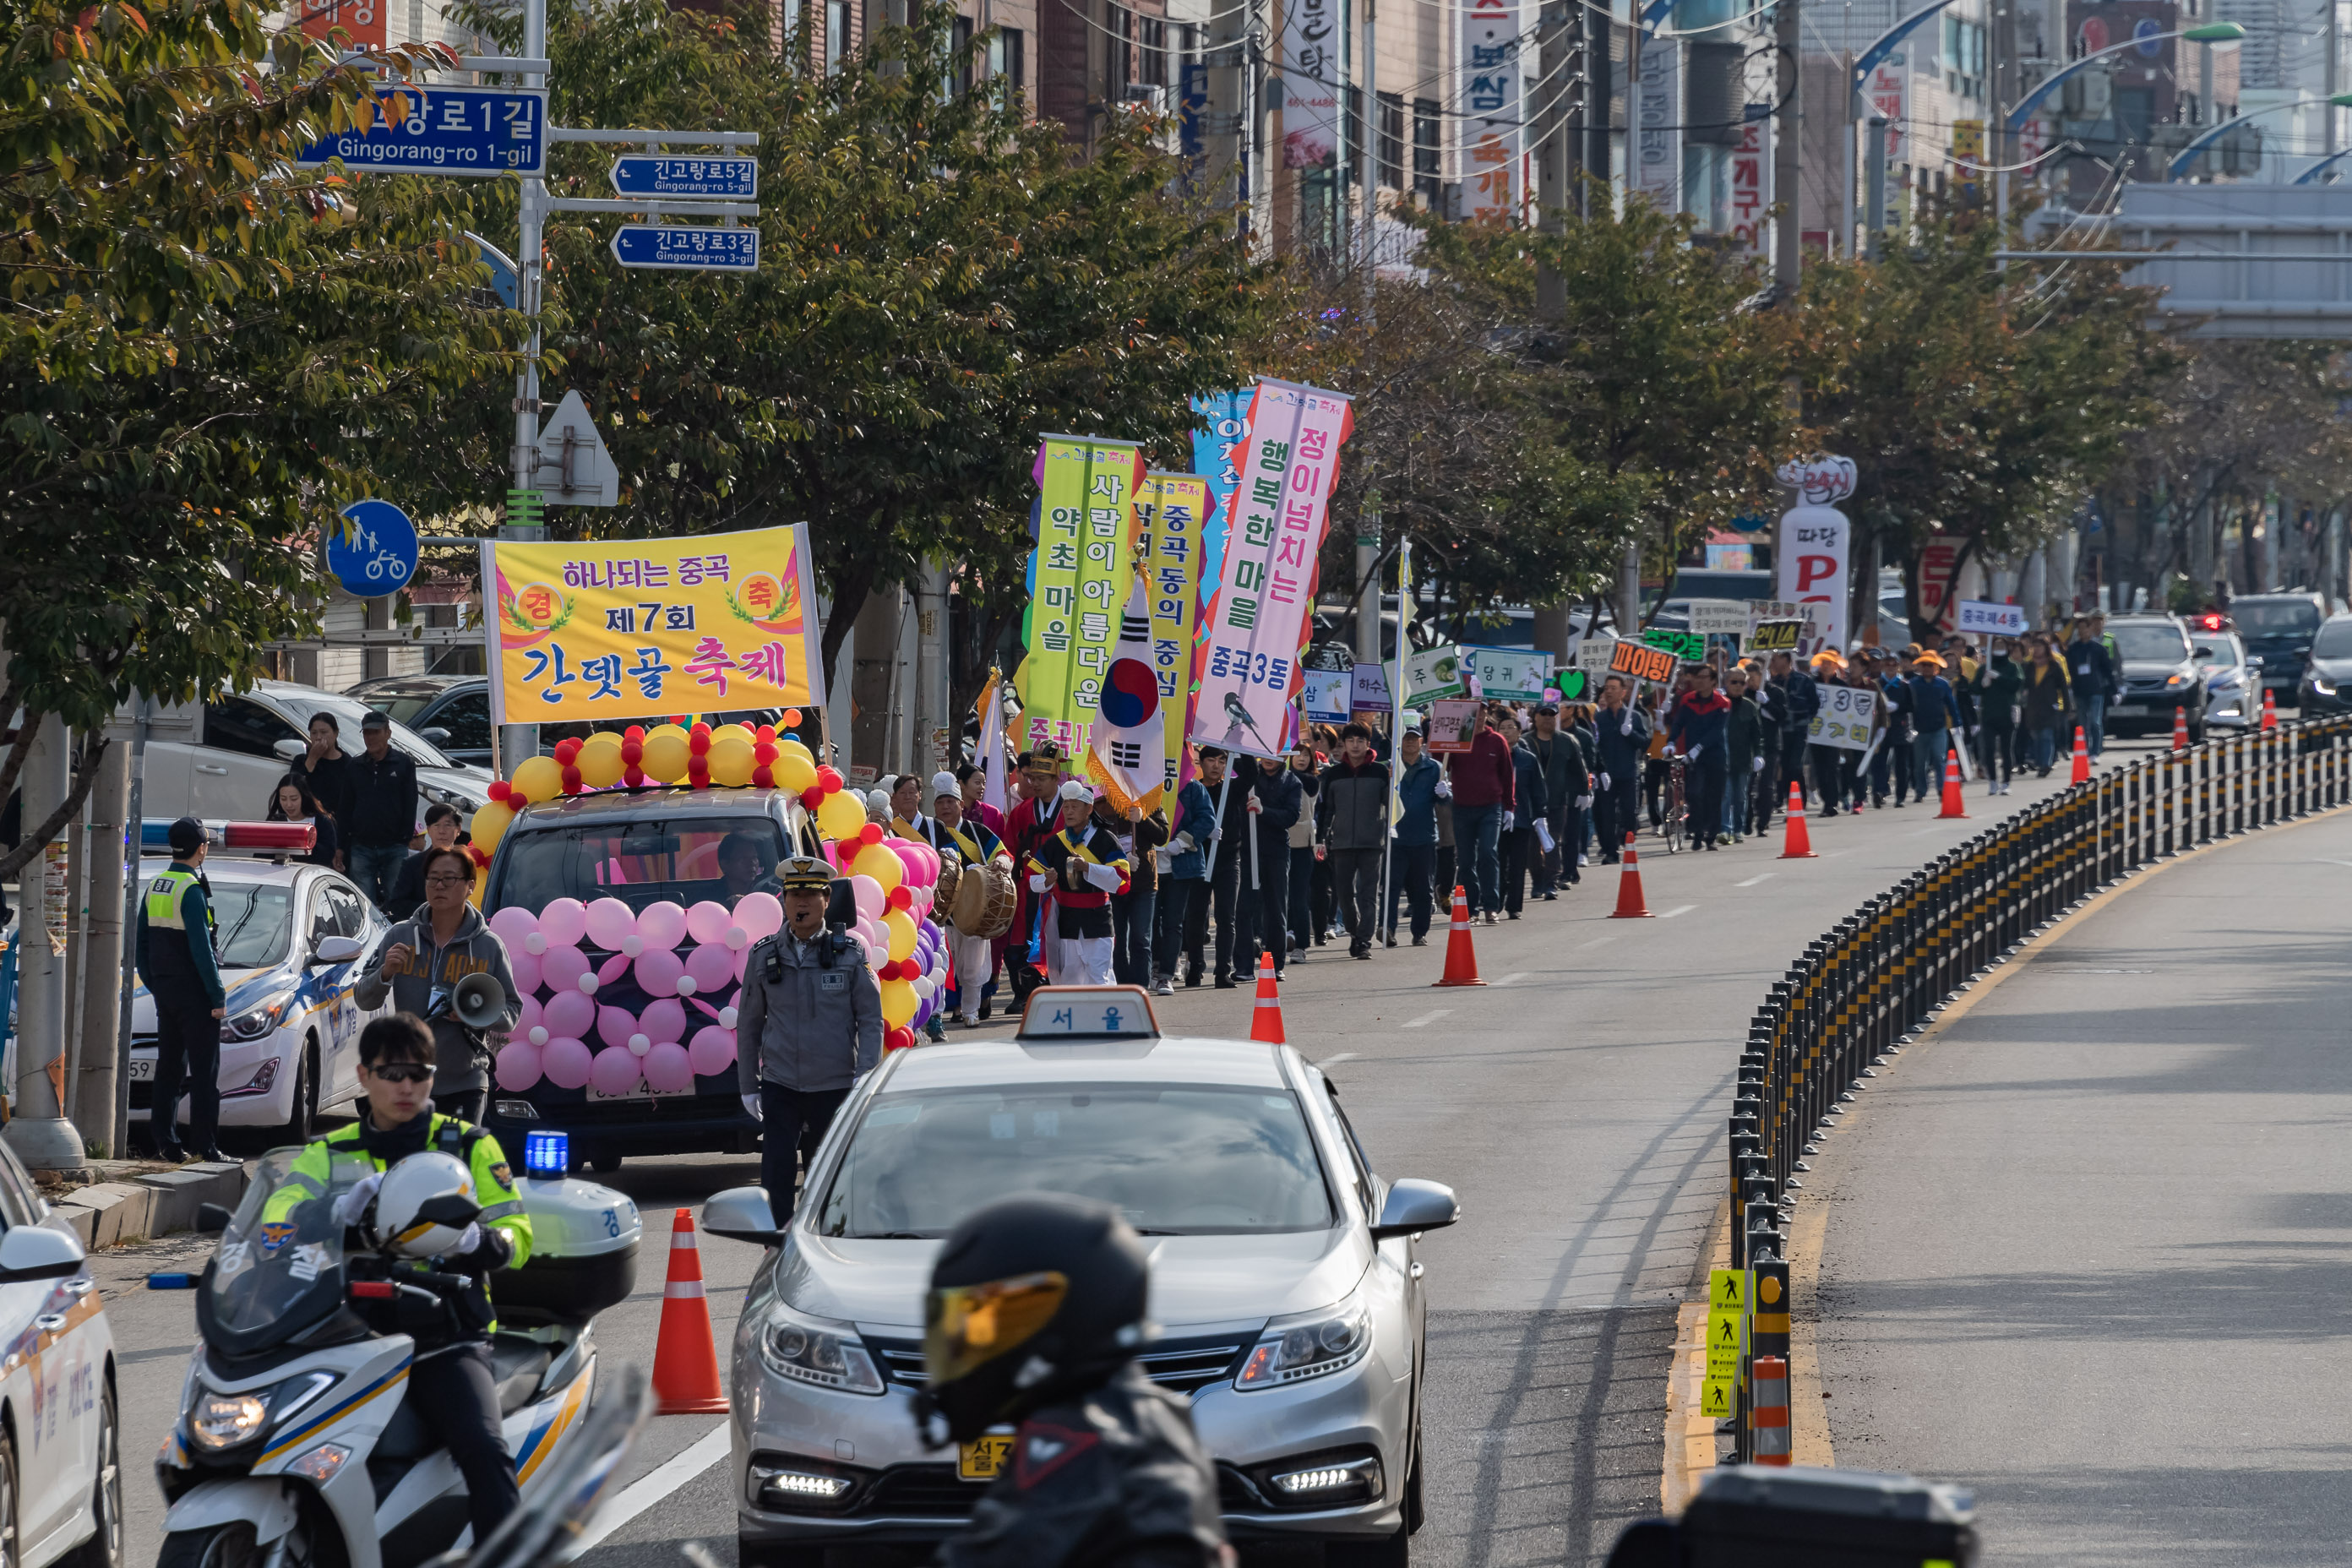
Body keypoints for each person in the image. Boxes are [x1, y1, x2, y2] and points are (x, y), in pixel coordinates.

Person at [277, 1013, 532, 1551]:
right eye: (392, 1073)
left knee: (486, 1451)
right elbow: (276, 1226)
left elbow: (516, 1232)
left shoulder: (469, 1146)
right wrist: (330, 1215)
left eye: (420, 1073)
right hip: (345, 1336)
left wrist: (474, 1243)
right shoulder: (330, 1152)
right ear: (364, 1076)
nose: (407, 1086)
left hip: (445, 1335)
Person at [921, 1195, 1228, 1568]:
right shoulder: (1141, 1418)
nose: (967, 1346)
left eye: (987, 1326)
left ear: (1063, 1323)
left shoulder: (1083, 1463)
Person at [735, 855, 883, 1211]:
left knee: (830, 1178)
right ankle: (777, 1248)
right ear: (783, 900)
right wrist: (748, 1085)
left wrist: (865, 1074)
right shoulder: (763, 955)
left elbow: (871, 1018)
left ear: (827, 899)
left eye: (811, 894)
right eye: (794, 894)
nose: (802, 902)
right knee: (775, 1175)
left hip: (833, 1085)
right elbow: (749, 1023)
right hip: (780, 1084)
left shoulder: (850, 953)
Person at [355, 845, 522, 1123]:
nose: (439, 886)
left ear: (470, 886)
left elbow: (512, 1012)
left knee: (457, 1164)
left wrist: (475, 1016)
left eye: (449, 878)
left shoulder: (488, 945)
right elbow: (363, 997)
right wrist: (385, 973)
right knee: (409, 1164)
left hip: (465, 1083)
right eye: (432, 878)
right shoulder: (400, 935)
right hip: (407, 1082)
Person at [136, 817, 226, 1162]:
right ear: (201, 849)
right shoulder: (190, 891)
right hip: (195, 995)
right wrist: (217, 996)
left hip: (166, 992)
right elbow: (202, 951)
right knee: (205, 1074)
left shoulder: (156, 885)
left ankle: (167, 1143)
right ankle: (206, 1146)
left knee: (168, 1070)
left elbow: (141, 943)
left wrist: (154, 983)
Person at [1025, 781, 1132, 986]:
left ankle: (1101, 1017)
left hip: (1098, 919)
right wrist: (1045, 880)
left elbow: (1122, 880)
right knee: (1070, 978)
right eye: (1066, 806)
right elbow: (1032, 877)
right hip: (1067, 920)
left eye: (1075, 806)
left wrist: (1088, 868)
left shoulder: (1106, 840)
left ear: (1089, 809)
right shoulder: (1055, 842)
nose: (1069, 811)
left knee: (1099, 977)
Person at [925, 775, 1010, 1026]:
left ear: (961, 804)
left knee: (972, 966)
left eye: (951, 801)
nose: (946, 807)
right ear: (935, 806)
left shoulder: (977, 831)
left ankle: (971, 1010)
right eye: (941, 802)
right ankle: (942, 1011)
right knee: (945, 963)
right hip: (940, 910)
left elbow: (1003, 853)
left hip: (974, 907)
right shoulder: (931, 832)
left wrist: (1002, 863)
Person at [1318, 723, 1388, 957]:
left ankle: (1364, 940)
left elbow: (1391, 807)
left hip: (1372, 843)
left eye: (1360, 740)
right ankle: (1354, 931)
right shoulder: (1333, 774)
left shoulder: (1380, 772)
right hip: (1342, 843)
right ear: (1344, 744)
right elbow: (1326, 810)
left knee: (1368, 894)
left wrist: (1390, 830)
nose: (1355, 745)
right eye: (1351, 741)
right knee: (1345, 895)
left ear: (1368, 743)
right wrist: (1322, 838)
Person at [343, 710, 420, 913]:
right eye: (367, 733)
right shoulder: (355, 766)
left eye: (376, 732)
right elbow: (346, 806)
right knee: (363, 905)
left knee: (397, 901)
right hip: (361, 845)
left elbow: (411, 801)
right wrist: (344, 842)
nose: (371, 737)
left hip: (394, 845)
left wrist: (404, 837)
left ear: (388, 733)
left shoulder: (403, 764)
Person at [1151, 762, 1216, 995]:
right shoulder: (1145, 782)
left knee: (1173, 922)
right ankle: (1155, 965)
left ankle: (1166, 975)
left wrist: (1183, 840)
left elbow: (1207, 819)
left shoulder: (1193, 787)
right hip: (1150, 867)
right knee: (1149, 922)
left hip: (1181, 867)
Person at [1445, 706, 1513, 924]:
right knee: (1465, 861)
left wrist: (1510, 807)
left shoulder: (1497, 740)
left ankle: (1491, 907)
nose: (1480, 716)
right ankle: (1471, 908)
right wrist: (1439, 739)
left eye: (1483, 712)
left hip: (1490, 807)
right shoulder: (1458, 737)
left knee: (1487, 852)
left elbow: (1507, 774)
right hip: (1462, 807)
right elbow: (1441, 760)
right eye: (1475, 712)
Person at [1097, 790, 1168, 989]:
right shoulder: (1101, 805)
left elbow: (1163, 836)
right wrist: (1118, 860)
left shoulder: (1149, 801)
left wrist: (1143, 818)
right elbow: (1094, 842)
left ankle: (1139, 989)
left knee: (1140, 937)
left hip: (1144, 882)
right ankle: (1121, 987)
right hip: (1113, 882)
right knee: (1116, 938)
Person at [1237, 754, 1300, 974]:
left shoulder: (1292, 782)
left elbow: (1291, 816)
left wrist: (1264, 810)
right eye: (1264, 753)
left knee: (1276, 909)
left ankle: (1274, 965)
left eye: (1274, 754)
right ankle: (1244, 966)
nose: (1268, 759)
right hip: (1248, 850)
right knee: (1244, 909)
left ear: (1284, 756)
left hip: (1276, 852)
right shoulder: (1250, 777)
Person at [1665, 663, 1732, 850]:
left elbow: (1717, 731)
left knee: (1714, 796)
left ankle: (1711, 836)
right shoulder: (1688, 701)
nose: (1700, 681)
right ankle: (1696, 832)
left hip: (1715, 755)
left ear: (1713, 681)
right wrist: (1671, 741)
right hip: (1693, 757)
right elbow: (1679, 723)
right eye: (1697, 677)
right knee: (1694, 793)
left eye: (1704, 677)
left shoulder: (1723, 703)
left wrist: (1699, 747)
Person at [1386, 728, 1442, 946]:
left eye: (1414, 738)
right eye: (1406, 738)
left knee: (1423, 888)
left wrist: (1445, 793)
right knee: (1391, 887)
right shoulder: (1391, 767)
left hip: (1424, 835)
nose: (1410, 742)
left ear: (1422, 742)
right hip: (1396, 836)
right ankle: (1388, 929)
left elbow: (1444, 801)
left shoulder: (1434, 767)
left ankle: (1419, 932)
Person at [1527, 704, 1587, 891]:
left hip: (1557, 800)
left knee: (1553, 841)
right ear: (1534, 717)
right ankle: (1537, 880)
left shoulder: (1567, 740)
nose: (1547, 717)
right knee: (1532, 845)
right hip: (1529, 803)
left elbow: (1579, 768)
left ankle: (1550, 882)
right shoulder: (1524, 742)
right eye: (1543, 714)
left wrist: (1584, 792)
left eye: (1551, 714)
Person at [1496, 713, 1550, 912]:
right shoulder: (1493, 756)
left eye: (1511, 728)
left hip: (1522, 818)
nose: (1507, 731)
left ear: (1520, 732)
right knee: (1499, 863)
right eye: (1502, 728)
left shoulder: (1528, 759)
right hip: (1497, 818)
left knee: (1518, 864)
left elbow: (1538, 789)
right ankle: (1496, 901)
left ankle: (1514, 906)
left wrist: (1541, 815)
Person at [1592, 676, 1650, 863]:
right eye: (1606, 688)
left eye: (1613, 688)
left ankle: (1628, 840)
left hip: (1627, 772)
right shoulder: (1599, 718)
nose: (1608, 692)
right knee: (1605, 814)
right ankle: (1610, 851)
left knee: (1629, 812)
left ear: (1623, 692)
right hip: (1606, 774)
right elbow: (1594, 745)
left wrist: (1630, 733)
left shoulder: (1634, 716)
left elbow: (1644, 743)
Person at [291, 712, 352, 863]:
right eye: (314, 733)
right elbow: (294, 788)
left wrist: (342, 846)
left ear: (336, 733)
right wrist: (312, 759)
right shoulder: (301, 761)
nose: (318, 737)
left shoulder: (348, 764)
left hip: (337, 833)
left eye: (324, 732)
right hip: (307, 832)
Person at [389, 802, 466, 913]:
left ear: (458, 829)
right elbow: (396, 904)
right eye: (436, 825)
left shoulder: (466, 863)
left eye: (447, 825)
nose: (441, 831)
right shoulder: (412, 864)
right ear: (429, 830)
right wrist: (433, 910)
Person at [1282, 743, 1322, 953]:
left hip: (1303, 844)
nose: (1301, 758)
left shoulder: (1311, 781)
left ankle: (1301, 942)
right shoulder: (1282, 778)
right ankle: (1285, 933)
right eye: (1297, 754)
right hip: (1281, 842)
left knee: (1299, 895)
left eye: (1306, 755)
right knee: (1280, 894)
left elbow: (1303, 782)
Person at [1767, 650, 1820, 808]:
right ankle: (1790, 800)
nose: (1773, 662)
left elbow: (1815, 703)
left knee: (1795, 765)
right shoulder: (1773, 682)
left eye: (1775, 659)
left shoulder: (1804, 680)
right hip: (1781, 731)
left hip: (1799, 730)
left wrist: (1805, 719)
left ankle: (1799, 802)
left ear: (1785, 659)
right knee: (1784, 765)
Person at [1973, 640, 2023, 794]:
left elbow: (2016, 684)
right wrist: (1982, 683)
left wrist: (1998, 678)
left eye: (2002, 646)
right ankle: (1993, 781)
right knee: (1989, 749)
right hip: (1988, 715)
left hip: (2007, 714)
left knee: (2006, 750)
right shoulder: (1983, 668)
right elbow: (1973, 689)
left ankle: (2006, 782)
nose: (1999, 649)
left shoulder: (2013, 667)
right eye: (1996, 646)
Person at [1908, 652, 1962, 798]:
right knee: (1919, 764)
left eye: (1930, 665)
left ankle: (1941, 788)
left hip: (1939, 728)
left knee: (1939, 758)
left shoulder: (1943, 684)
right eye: (1924, 665)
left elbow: (1951, 704)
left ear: (1936, 667)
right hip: (1919, 730)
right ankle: (1920, 790)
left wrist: (1957, 723)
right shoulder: (1913, 684)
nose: (1927, 668)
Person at [1723, 668, 1767, 842]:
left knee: (1741, 796)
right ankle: (1724, 829)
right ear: (1725, 683)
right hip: (1724, 758)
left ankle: (1738, 829)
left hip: (1743, 759)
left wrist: (1759, 754)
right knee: (1726, 795)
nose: (1738, 686)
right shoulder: (1720, 703)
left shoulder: (1750, 706)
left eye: (1742, 683)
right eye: (1734, 682)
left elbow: (1757, 734)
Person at [2020, 638, 2073, 775]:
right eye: (2035, 646)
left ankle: (2046, 764)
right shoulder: (2028, 666)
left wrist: (2067, 707)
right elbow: (2023, 684)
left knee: (2047, 735)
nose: (2037, 649)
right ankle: (2040, 762)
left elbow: (2063, 687)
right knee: (2036, 735)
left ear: (2046, 649)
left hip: (2049, 705)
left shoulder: (2054, 666)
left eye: (2039, 646)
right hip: (2032, 706)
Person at [267, 773, 340, 868]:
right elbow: (262, 857)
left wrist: (300, 841)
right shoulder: (275, 823)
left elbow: (327, 856)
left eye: (294, 799)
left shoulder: (322, 822)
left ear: (304, 797)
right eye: (283, 799)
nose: (288, 805)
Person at [2067, 616, 2115, 757]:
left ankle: (2096, 749)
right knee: (2082, 723)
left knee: (2095, 721)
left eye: (2085, 628)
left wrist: (2114, 688)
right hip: (2079, 689)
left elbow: (2107, 669)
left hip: (2096, 689)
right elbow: (2069, 669)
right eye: (2079, 629)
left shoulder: (2098, 649)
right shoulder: (2073, 649)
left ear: (2090, 629)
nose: (2082, 631)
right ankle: (2085, 749)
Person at [716, 828, 783, 905]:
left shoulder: (772, 892)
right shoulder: (710, 894)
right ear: (725, 864)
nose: (752, 863)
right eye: (743, 858)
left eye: (754, 857)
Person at [956, 764, 1008, 841]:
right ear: (962, 784)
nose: (982, 787)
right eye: (977, 783)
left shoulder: (994, 814)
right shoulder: (950, 812)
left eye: (984, 783)